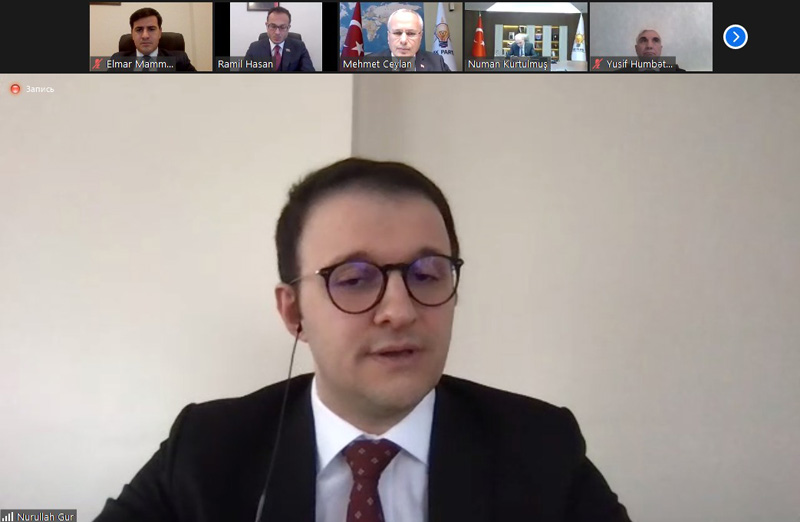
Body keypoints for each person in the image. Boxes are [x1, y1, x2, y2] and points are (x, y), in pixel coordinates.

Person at [93, 158, 632, 522]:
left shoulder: (539, 447)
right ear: (294, 312)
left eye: (427, 274)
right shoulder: (208, 450)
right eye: (354, 280)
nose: (400, 311)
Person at [109, 7, 196, 72]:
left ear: (160, 32)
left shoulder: (180, 60)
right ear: (132, 34)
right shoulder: (117, 60)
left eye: (151, 29)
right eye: (139, 30)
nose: (145, 36)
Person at [244, 6, 315, 72]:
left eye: (283, 27)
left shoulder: (299, 47)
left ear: (288, 28)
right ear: (267, 26)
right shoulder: (254, 48)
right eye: (273, 26)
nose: (277, 32)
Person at [376, 9, 450, 71]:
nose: (403, 41)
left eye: (411, 33)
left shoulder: (437, 64)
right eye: (397, 33)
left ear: (420, 36)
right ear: (388, 36)